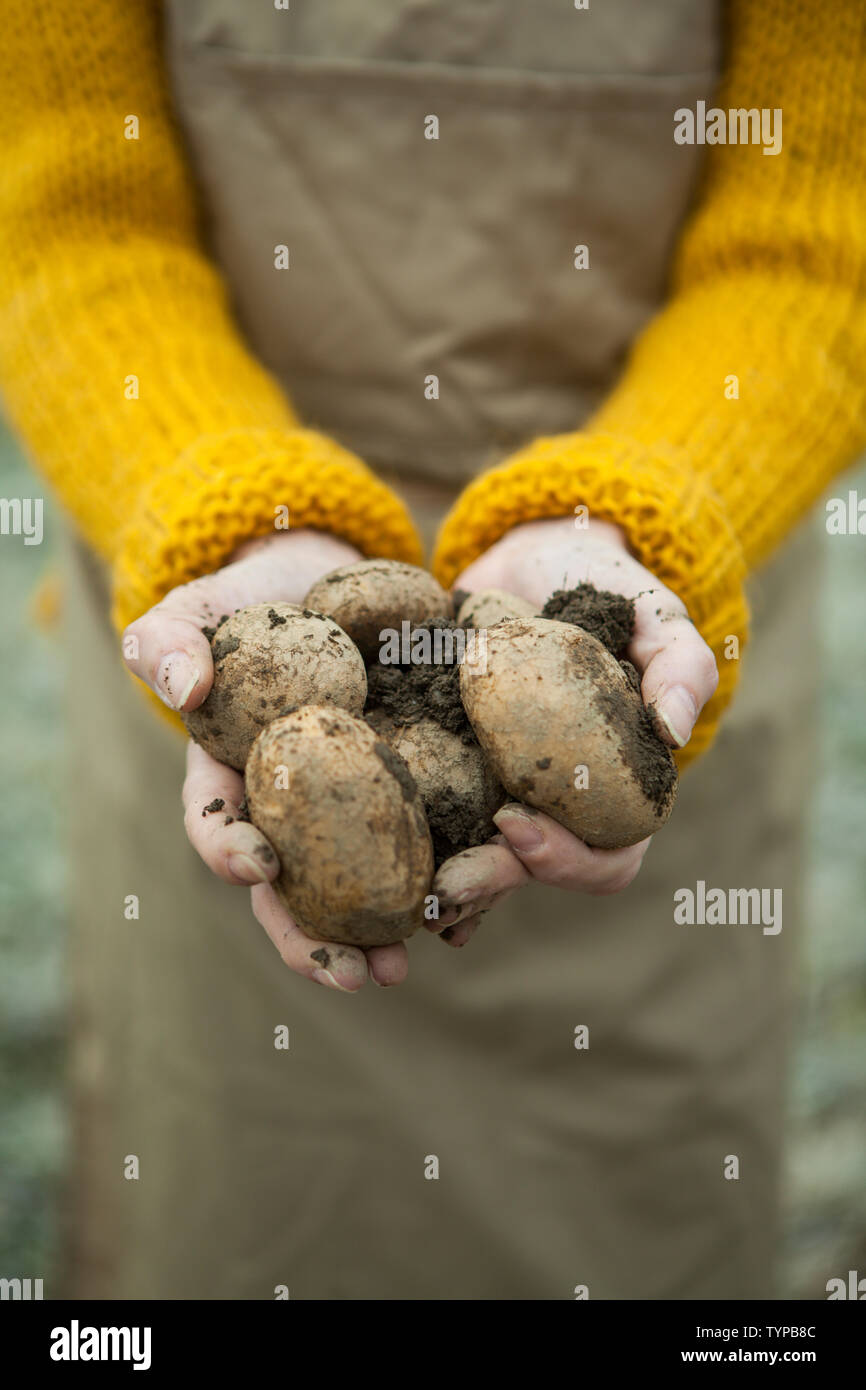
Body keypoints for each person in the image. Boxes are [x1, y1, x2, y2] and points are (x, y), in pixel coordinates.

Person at [1, 0, 864, 1299]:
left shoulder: (629, 599)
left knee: (629, 1235)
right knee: (240, 1218)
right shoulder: (249, 635)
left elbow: (816, 249)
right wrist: (213, 505)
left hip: (653, 583)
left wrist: (645, 513)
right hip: (214, 562)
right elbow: (66, 220)